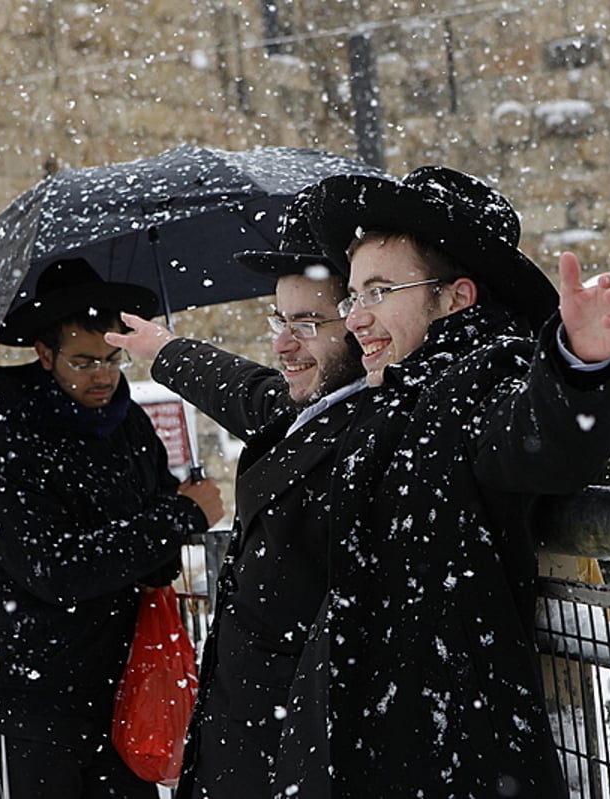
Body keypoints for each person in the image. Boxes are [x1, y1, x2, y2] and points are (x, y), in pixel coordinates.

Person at [271, 165, 610, 798]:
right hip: (377, 748)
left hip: (448, 760)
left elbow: (540, 439)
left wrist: (579, 364)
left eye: (380, 291)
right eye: (353, 296)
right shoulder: (391, 393)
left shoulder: (481, 378)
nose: (356, 318)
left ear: (456, 297)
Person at [105, 207, 367, 798]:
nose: (282, 343)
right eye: (279, 318)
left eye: (307, 323)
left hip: (294, 749)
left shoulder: (373, 428)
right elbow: (245, 390)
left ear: (361, 322)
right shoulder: (305, 404)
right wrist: (165, 349)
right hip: (241, 730)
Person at [0, 258, 224, 799]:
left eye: (114, 360)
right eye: (84, 360)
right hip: (20, 698)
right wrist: (180, 516)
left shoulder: (129, 425)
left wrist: (179, 509)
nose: (103, 376)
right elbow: (55, 570)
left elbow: (153, 559)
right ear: (45, 355)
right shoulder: (8, 444)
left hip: (113, 689)